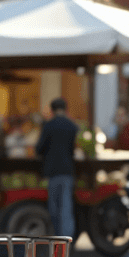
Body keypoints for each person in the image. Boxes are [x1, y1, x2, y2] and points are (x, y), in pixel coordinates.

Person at [35, 97, 79, 238]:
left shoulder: (48, 126)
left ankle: (56, 237)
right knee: (66, 208)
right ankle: (66, 240)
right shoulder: (72, 126)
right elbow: (73, 150)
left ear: (52, 110)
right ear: (65, 109)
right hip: (67, 170)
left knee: (54, 208)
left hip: (52, 171)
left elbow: (39, 148)